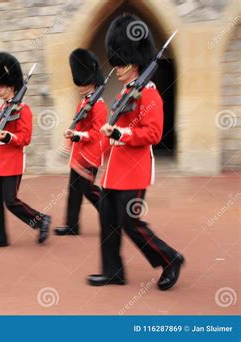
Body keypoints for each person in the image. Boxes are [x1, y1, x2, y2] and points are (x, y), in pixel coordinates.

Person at [87, 14, 184, 290]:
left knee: (130, 223)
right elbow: (110, 131)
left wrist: (120, 134)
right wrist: (97, 155)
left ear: (136, 61)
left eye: (122, 62)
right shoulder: (122, 95)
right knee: (107, 221)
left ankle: (170, 258)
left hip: (134, 172)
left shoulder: (149, 95)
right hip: (113, 173)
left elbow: (153, 134)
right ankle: (112, 271)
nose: (116, 68)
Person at [0, 52, 51, 250]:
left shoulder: (23, 109)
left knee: (10, 201)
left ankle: (41, 220)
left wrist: (8, 138)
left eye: (2, 86)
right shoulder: (1, 110)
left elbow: (25, 138)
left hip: (13, 161)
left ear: (12, 86)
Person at [54, 48, 107, 236]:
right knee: (74, 191)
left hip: (90, 155)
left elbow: (97, 133)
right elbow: (78, 125)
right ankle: (72, 225)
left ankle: (111, 217)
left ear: (92, 82)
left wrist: (77, 136)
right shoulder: (84, 103)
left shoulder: (98, 105)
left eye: (83, 83)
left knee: (90, 191)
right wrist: (71, 137)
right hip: (78, 155)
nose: (80, 86)